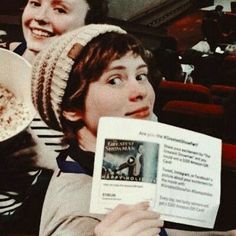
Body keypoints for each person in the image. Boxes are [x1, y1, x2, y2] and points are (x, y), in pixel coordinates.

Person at [31, 24, 236, 236]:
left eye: (140, 76)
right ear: (71, 109)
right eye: (114, 80)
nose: (140, 91)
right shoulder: (76, 219)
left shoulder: (119, 153)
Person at [0, 0, 107, 234]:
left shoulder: (87, 92)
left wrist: (51, 160)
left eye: (60, 9)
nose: (40, 16)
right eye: (35, 3)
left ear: (88, 25)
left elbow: (117, 176)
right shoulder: (5, 56)